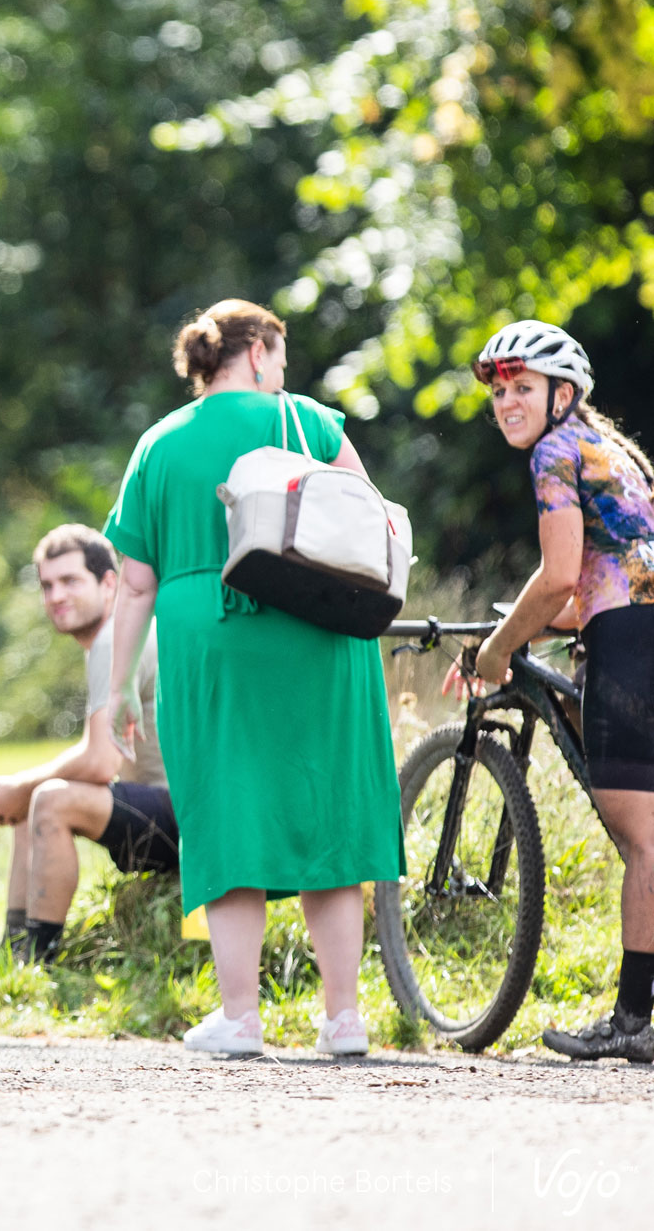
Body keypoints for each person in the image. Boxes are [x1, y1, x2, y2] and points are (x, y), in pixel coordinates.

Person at [99, 299, 401, 1057]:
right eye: (282, 361)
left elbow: (134, 583)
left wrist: (116, 686)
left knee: (226, 816)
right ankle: (343, 1018)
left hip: (215, 647)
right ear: (259, 352)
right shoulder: (311, 421)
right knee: (328, 817)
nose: (283, 376)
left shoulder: (159, 443)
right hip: (322, 631)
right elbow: (372, 521)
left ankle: (240, 1018)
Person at [445, 321, 654, 1061]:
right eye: (499, 391)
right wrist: (516, 626)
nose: (506, 402)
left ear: (562, 394)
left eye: (522, 388)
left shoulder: (555, 452)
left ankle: (632, 1021)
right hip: (635, 626)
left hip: (631, 646)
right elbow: (602, 581)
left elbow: (561, 576)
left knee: (643, 840)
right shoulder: (611, 449)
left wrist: (498, 649)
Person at [0, 525, 170, 965]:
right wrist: (20, 790)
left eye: (70, 581)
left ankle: (37, 962)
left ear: (109, 583)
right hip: (166, 808)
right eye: (47, 585)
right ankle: (13, 951)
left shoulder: (115, 639)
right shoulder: (115, 638)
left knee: (49, 800)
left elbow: (100, 762)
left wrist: (21, 787)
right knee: (34, 799)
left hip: (185, 818)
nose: (56, 596)